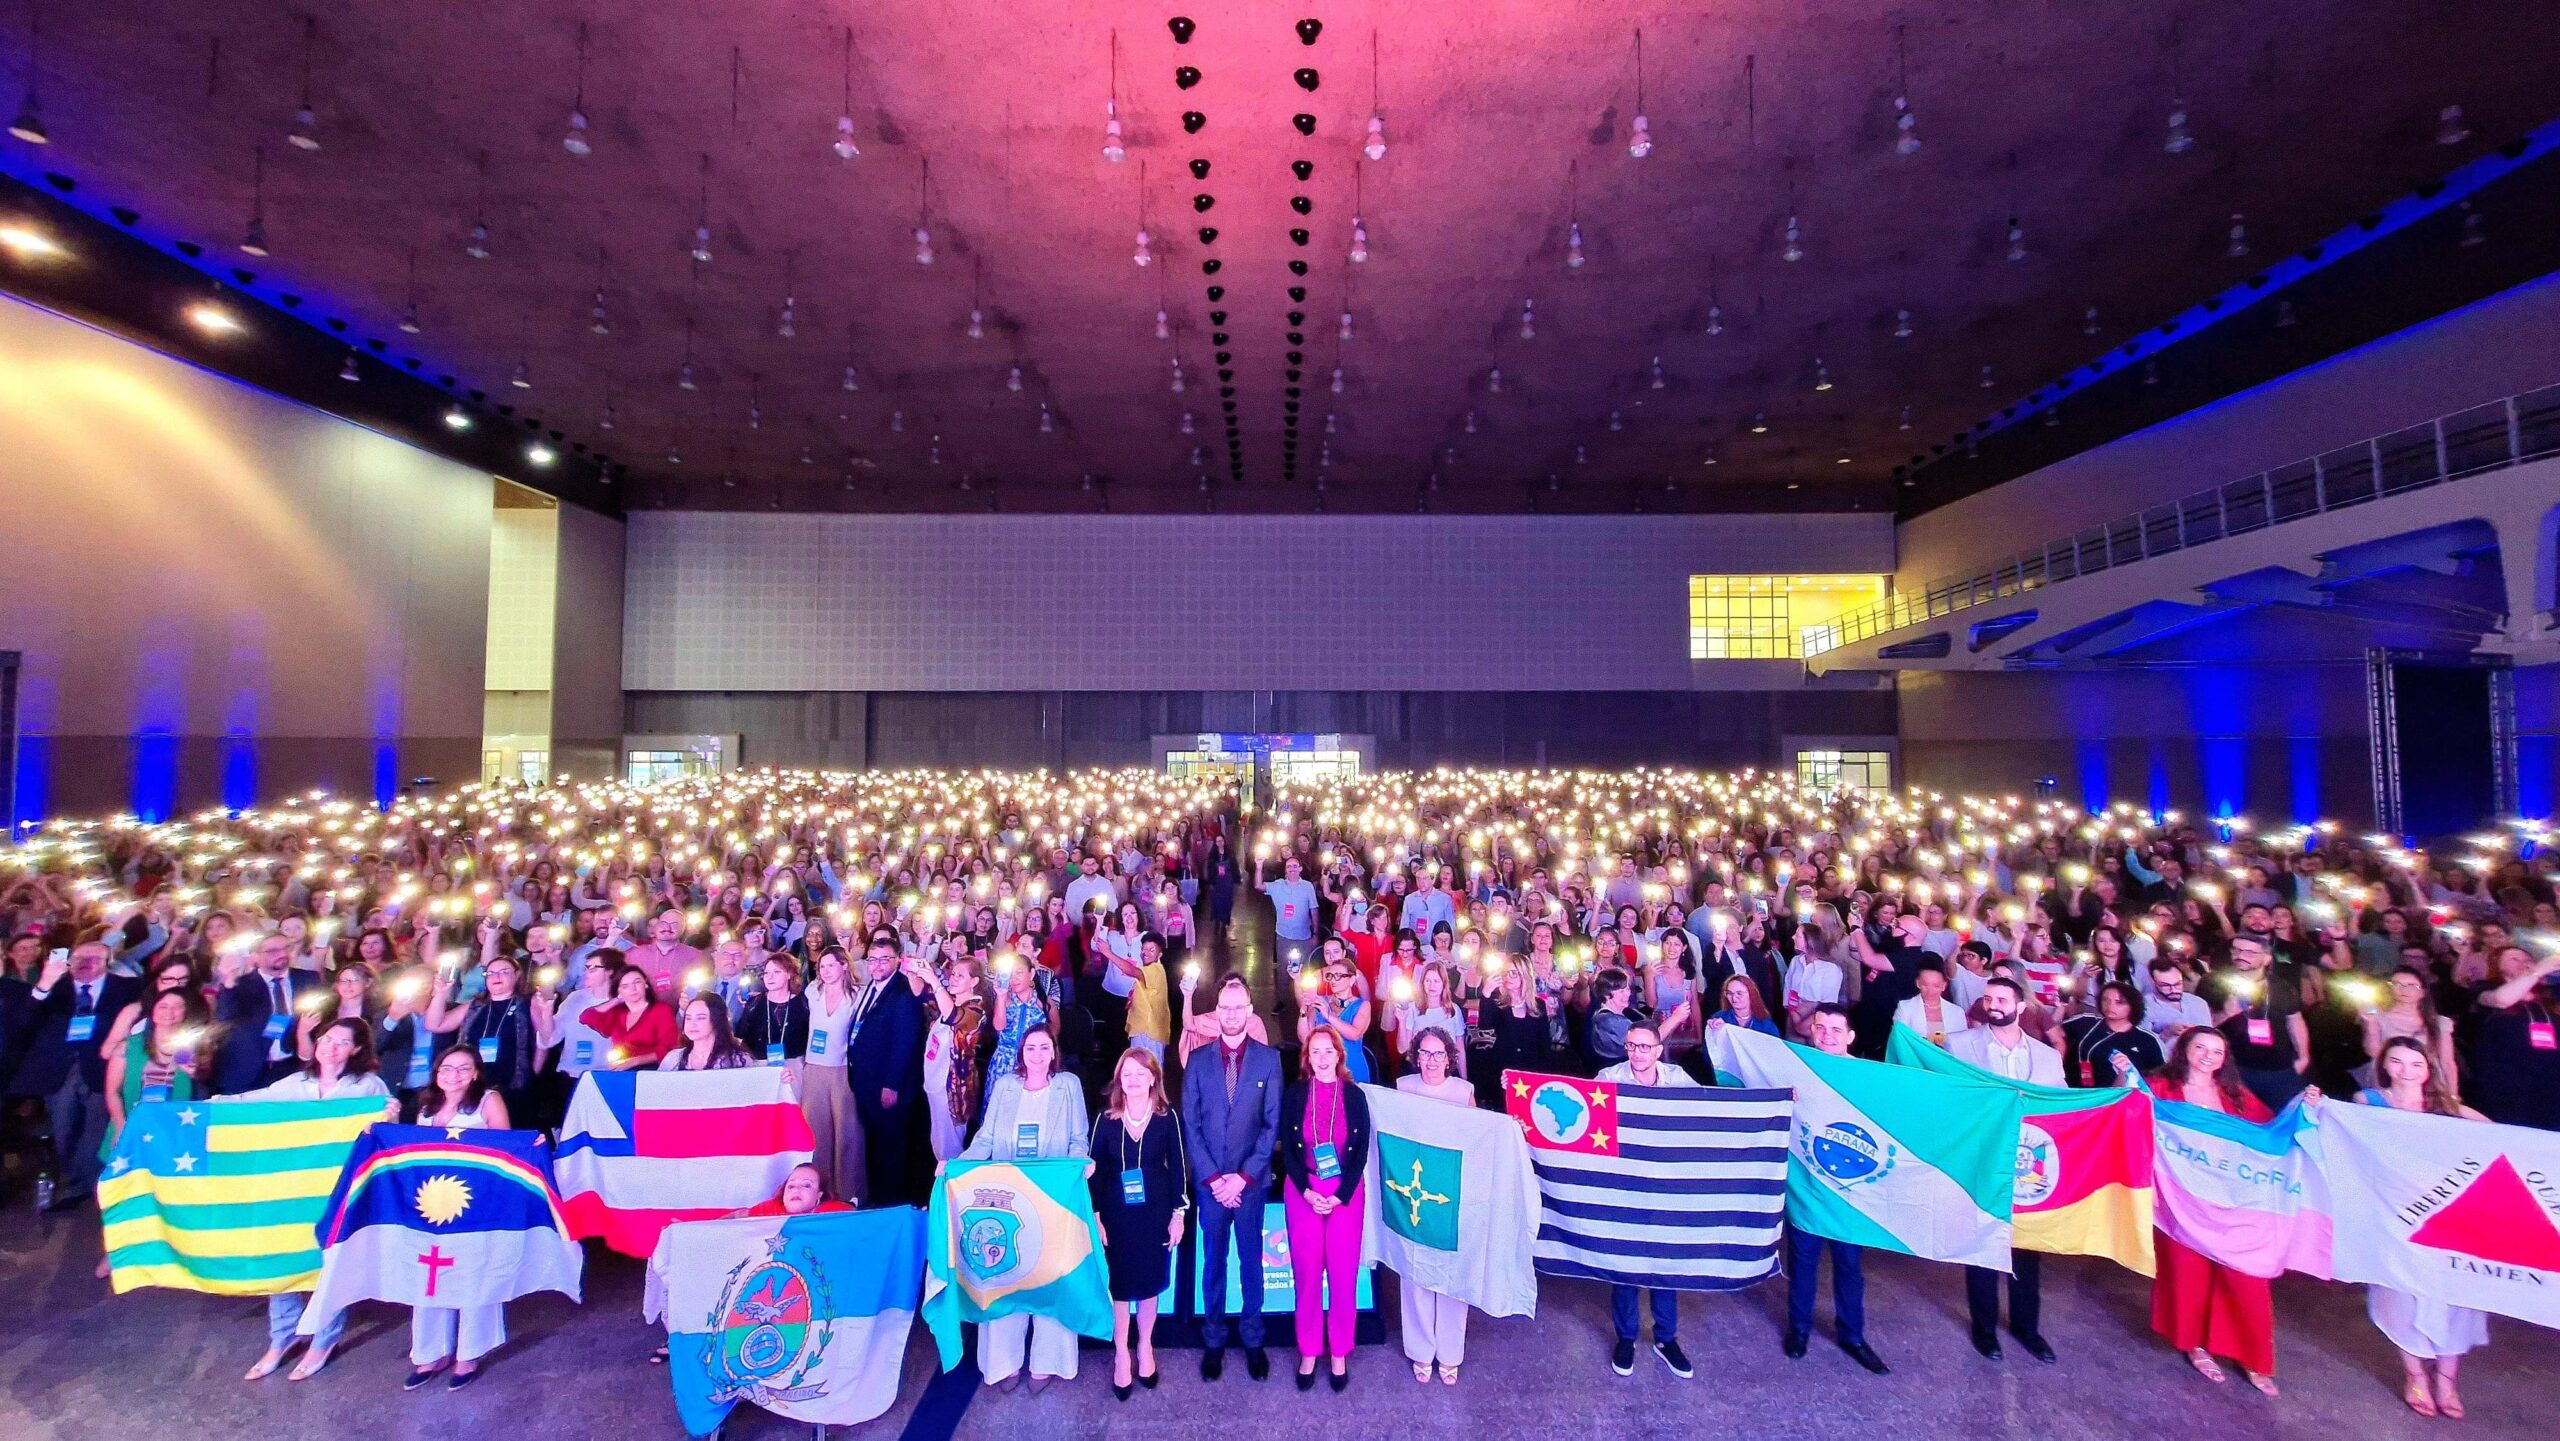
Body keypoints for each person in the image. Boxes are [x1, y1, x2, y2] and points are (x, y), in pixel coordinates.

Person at [222, 1017, 392, 1382]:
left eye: (342, 1042)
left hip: (340, 1189)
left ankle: (323, 1340)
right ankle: (281, 1338)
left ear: (357, 1049)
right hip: (292, 1190)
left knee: (330, 1263)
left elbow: (386, 1126)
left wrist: (388, 1115)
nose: (330, 1047)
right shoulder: (296, 1083)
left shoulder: (366, 1086)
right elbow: (250, 1103)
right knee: (281, 1259)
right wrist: (209, 1106)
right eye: (326, 1039)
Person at [2148, 1025, 2291, 1395]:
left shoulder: (2235, 1094)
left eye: (2216, 1051)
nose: (2208, 1056)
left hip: (2232, 1201)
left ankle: (2252, 1356)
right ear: (2184, 1050)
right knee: (2188, 1274)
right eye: (2200, 1047)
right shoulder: (2161, 1087)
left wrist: (2304, 1110)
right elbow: (2132, 1119)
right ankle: (2194, 1344)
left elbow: (2270, 1133)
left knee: (2247, 1279)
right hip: (2179, 1199)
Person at [2359, 1036, 2488, 1417]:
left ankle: (2448, 1381)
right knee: (2400, 1294)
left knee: (2456, 1297)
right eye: (2396, 1062)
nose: (2406, 1071)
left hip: (2447, 1217)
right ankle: (2414, 1375)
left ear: (2428, 1068)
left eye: (2416, 1064)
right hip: (2392, 1213)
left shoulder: (2446, 1108)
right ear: (2384, 1064)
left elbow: (2499, 1137)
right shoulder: (2369, 1103)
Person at [960, 1025, 1090, 1392]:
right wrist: (958, 1165)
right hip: (1007, 1199)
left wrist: (1080, 1163)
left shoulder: (1068, 1086)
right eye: (1030, 1047)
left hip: (1051, 1200)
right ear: (1021, 1053)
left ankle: (1048, 1361)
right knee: (1005, 1277)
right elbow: (985, 1138)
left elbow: (1078, 1138)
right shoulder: (1005, 1086)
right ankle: (1003, 1362)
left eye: (1043, 1047)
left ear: (1053, 1052)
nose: (1036, 1054)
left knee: (1049, 1278)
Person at [1946, 977, 2062, 1364]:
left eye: (2001, 999)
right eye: (1987, 998)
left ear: (2021, 1006)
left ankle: (2028, 1328)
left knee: (2026, 1249)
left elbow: (2060, 1110)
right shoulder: (1960, 1045)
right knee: (1981, 1243)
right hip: (1981, 1160)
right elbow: (1951, 1099)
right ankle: (1984, 1328)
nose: (1993, 1004)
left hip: (2030, 1167)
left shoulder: (2047, 1057)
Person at [1180, 973, 1282, 1382]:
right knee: (1214, 1263)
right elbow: (1191, 1123)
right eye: (1225, 1007)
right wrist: (1214, 1179)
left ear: (1250, 1012)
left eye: (1239, 1007)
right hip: (1210, 1188)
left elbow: (1271, 1125)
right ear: (1216, 1012)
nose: (1232, 1014)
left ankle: (1253, 1339)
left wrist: (1242, 1178)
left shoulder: (1269, 1059)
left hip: (1251, 1186)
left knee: (1250, 1264)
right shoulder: (1199, 1060)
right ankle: (1214, 1340)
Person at [1782, 1004, 1889, 1374]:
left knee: (1849, 1267)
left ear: (1851, 1036)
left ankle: (1853, 1335)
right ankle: (1799, 1329)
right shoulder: (1797, 1068)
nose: (1827, 1034)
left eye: (1835, 1028)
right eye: (1820, 1027)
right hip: (1809, 1188)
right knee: (1804, 1265)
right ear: (1811, 1031)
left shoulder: (1869, 1077)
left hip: (1851, 1192)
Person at [399, 1045, 513, 1390]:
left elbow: (506, 1149)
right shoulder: (426, 1103)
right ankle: (430, 1352)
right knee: (429, 1275)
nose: (455, 1075)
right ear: (436, 1073)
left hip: (475, 1200)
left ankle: (470, 1353)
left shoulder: (488, 1100)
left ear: (476, 1073)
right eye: (447, 1068)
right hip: (431, 1203)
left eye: (464, 1069)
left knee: (473, 1272)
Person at [1595, 1022, 1698, 1379]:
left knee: (1664, 1262)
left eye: (1644, 1047)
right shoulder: (1608, 1077)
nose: (1637, 1053)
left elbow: (1708, 1111)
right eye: (1631, 1046)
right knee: (1626, 1262)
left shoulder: (1678, 1078)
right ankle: (1626, 1337)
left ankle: (1666, 1338)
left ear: (1658, 1049)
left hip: (1666, 1185)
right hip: (1626, 1184)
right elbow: (1583, 1113)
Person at [7, 939, 142, 1210]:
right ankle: (75, 1175)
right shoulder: (53, 987)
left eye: (94, 958)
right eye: (80, 957)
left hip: (100, 1070)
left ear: (108, 962)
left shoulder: (128, 988)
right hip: (60, 1071)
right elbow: (24, 1022)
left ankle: (92, 1186)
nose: (86, 963)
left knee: (93, 1134)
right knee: (63, 1130)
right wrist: (43, 986)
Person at [1088, 1047, 1190, 1400]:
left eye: (1140, 1073)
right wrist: (1096, 1215)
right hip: (1116, 1217)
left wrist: (1178, 1215)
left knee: (1148, 1284)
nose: (1133, 1079)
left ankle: (1145, 1346)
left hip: (1155, 1214)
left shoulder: (1167, 1117)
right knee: (1119, 1287)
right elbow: (1094, 1173)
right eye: (1127, 1072)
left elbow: (1178, 1167)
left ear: (1153, 1078)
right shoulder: (1105, 1119)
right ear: (1120, 1078)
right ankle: (1121, 1354)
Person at [1277, 1025, 1369, 1391]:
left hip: (1345, 1192)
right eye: (1314, 1052)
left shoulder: (1355, 1096)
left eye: (1328, 1051)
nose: (1322, 1057)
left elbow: (1361, 1152)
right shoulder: (1296, 1093)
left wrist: (1341, 1193)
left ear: (1339, 1055)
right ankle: (1310, 1350)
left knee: (1344, 1276)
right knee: (1307, 1274)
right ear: (1307, 1058)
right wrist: (1305, 1189)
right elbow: (1287, 1144)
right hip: (1304, 1190)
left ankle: (1340, 1351)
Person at [846, 939, 927, 1205]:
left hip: (888, 1086)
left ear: (897, 961)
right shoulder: (871, 987)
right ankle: (876, 1199)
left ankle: (891, 1204)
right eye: (872, 959)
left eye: (884, 959)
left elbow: (905, 1042)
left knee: (891, 1148)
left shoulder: (903, 992)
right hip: (866, 1082)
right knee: (875, 1144)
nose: (877, 965)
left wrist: (892, 1084)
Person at [420, 951, 547, 1120]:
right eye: (491, 973)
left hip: (514, 1085)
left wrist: (534, 1071)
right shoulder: (475, 1006)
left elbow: (544, 1039)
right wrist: (441, 993)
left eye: (504, 972)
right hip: (473, 1082)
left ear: (517, 976)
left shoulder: (528, 1002)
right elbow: (434, 1025)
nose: (496, 976)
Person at [211, 930, 325, 1095]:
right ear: (255, 956)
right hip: (248, 1073)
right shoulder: (241, 985)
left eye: (286, 948)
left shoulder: (309, 980)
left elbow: (320, 1022)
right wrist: (228, 981)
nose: (282, 954)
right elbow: (223, 1017)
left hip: (292, 1069)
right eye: (272, 951)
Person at [799, 948, 866, 1201]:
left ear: (844, 966)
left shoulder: (858, 995)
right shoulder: (812, 992)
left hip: (843, 1069)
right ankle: (819, 1190)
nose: (826, 971)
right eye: (822, 967)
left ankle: (848, 1193)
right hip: (814, 1067)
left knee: (847, 1132)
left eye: (831, 965)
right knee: (817, 1132)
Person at [914, 953, 988, 1161]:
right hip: (934, 1084)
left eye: (960, 976)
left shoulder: (976, 1009)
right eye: (953, 974)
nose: (953, 978)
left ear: (974, 982)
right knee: (937, 1143)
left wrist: (935, 981)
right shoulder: (948, 999)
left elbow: (954, 1017)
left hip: (954, 1090)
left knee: (950, 1149)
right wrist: (914, 970)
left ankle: (953, 1188)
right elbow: (920, 992)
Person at [581, 962, 680, 1069]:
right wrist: (616, 1000)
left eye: (637, 983)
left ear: (645, 984)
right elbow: (586, 1016)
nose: (632, 989)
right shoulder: (617, 1012)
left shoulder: (661, 1010)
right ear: (619, 990)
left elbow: (669, 1048)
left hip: (654, 1070)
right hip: (621, 1069)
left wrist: (634, 1061)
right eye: (625, 986)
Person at [2064, 980, 2164, 1087]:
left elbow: (2158, 1079)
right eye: (2105, 1000)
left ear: (2133, 1006)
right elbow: (2054, 1034)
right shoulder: (2084, 1022)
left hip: (2118, 1098)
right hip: (2074, 1093)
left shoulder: (2147, 1040)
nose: (2110, 1006)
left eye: (2119, 1002)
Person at [1298, 957, 1376, 1082]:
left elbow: (1354, 1034)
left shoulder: (1363, 1005)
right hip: (1325, 1068)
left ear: (1352, 979)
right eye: (1330, 975)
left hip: (1352, 1067)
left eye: (1338, 976)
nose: (1333, 980)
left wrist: (1328, 1015)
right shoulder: (1321, 1001)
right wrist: (1303, 1009)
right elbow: (1305, 1038)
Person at [660, 993, 752, 1070]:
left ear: (716, 1020)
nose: (692, 1024)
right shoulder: (673, 1059)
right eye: (688, 1018)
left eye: (701, 1018)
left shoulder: (737, 1060)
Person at [1891, 963, 1971, 1047]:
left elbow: (1962, 1043)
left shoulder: (1957, 1012)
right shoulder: (1905, 1007)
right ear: (1918, 983)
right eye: (1925, 985)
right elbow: (1899, 1039)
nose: (1930, 990)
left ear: (1944, 986)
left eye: (1936, 986)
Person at [735, 1161, 853, 1217]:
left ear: (819, 1195)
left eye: (806, 1185)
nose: (796, 1190)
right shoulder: (771, 1209)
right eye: (791, 1186)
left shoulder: (836, 1213)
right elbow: (736, 1217)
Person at [1709, 972, 1781, 1037]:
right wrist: (1715, 1031)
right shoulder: (1718, 1018)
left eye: (1739, 993)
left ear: (1751, 994)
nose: (1734, 998)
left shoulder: (1766, 1025)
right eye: (1729, 993)